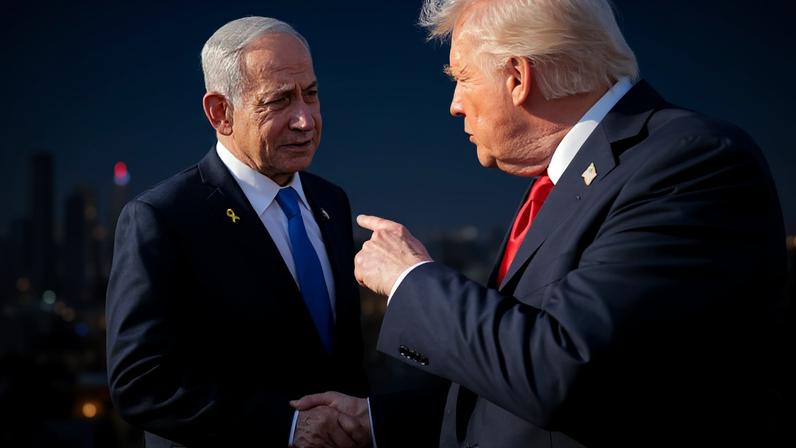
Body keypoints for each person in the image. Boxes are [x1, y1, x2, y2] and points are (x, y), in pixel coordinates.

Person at [343, 0, 788, 446]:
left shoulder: (690, 162)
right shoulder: (568, 181)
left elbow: (562, 366)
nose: (455, 105)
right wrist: (375, 421)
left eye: (461, 77)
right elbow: (513, 382)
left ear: (518, 77)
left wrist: (409, 277)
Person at [106, 17, 372, 447]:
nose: (305, 120)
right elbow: (141, 384)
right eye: (279, 101)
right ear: (220, 112)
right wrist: (286, 428)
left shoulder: (331, 202)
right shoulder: (163, 217)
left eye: (311, 93)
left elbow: (340, 358)